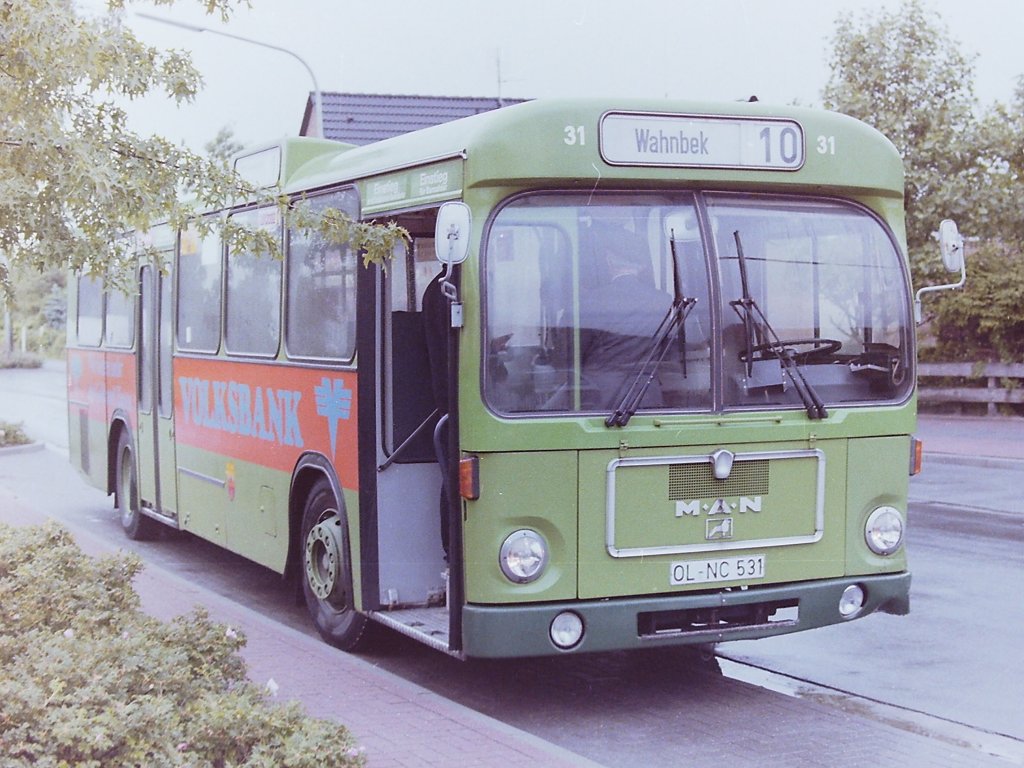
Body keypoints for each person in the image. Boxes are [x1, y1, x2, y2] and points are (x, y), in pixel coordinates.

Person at [578, 224, 673, 409]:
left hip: (602, 397)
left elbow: (574, 353)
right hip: (646, 395)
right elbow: (667, 349)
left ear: (609, 260)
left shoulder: (592, 300)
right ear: (642, 266)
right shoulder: (663, 300)